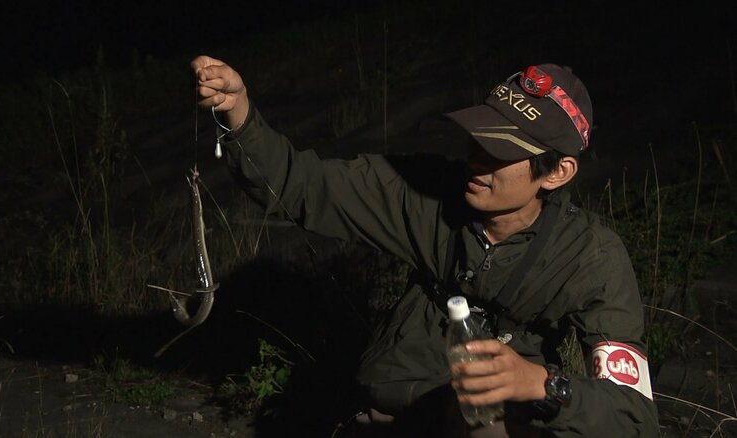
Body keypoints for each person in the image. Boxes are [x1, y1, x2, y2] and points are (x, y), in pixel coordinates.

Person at [190, 55, 661, 437]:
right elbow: (300, 187)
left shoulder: (590, 256)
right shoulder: (427, 192)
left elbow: (633, 415)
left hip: (487, 423)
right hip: (390, 414)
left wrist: (544, 385)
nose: (477, 160)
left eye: (501, 151)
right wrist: (239, 114)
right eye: (478, 139)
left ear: (557, 172)